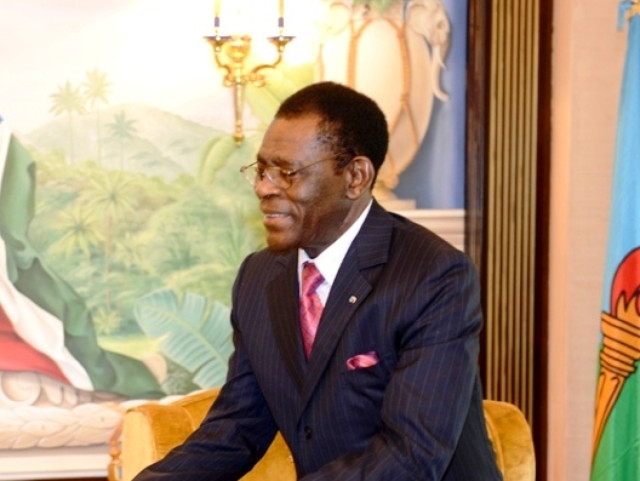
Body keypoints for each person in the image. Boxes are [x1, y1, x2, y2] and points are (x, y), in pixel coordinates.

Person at [134, 81, 502, 480]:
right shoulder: (259, 277)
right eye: (262, 170)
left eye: (287, 173)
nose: (263, 187)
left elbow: (410, 455)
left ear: (355, 176)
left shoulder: (433, 276)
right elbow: (237, 427)